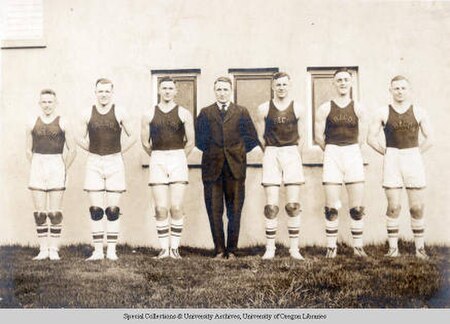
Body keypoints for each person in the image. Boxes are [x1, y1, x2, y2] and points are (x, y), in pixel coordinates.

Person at [368, 75, 433, 259]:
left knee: (417, 207)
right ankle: (393, 248)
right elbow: (370, 138)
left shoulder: (419, 112)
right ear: (390, 90)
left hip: (412, 156)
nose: (400, 92)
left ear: (409, 90)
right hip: (393, 157)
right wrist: (387, 153)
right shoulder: (382, 112)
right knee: (394, 205)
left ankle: (420, 249)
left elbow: (431, 138)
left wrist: (415, 153)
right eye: (396, 88)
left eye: (403, 88)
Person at [195, 76, 259, 259]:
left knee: (235, 209)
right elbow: (200, 141)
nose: (222, 93)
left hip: (235, 167)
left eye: (225, 90)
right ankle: (219, 249)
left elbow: (251, 138)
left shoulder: (241, 111)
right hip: (212, 168)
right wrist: (216, 152)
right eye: (219, 90)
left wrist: (236, 152)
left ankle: (232, 250)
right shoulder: (206, 113)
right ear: (214, 91)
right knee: (214, 210)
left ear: (230, 91)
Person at [77, 78, 135, 261]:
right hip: (94, 161)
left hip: (114, 162)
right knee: (96, 209)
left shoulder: (120, 111)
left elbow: (133, 135)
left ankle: (111, 250)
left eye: (107, 91)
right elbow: (78, 137)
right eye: (100, 91)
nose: (103, 95)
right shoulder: (87, 113)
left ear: (112, 92)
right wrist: (93, 150)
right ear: (95, 92)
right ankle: (97, 251)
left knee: (112, 209)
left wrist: (118, 151)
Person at [314, 68, 368, 258]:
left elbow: (362, 137)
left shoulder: (359, 108)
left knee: (357, 207)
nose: (343, 83)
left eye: (346, 79)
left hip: (352, 152)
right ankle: (331, 247)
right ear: (334, 84)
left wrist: (350, 150)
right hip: (332, 152)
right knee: (331, 206)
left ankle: (358, 247)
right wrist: (333, 150)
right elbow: (318, 137)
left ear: (351, 82)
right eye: (339, 80)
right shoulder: (325, 108)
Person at [141, 76, 194, 259]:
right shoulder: (149, 114)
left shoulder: (184, 113)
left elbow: (191, 142)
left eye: (170, 88)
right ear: (159, 90)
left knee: (176, 206)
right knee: (160, 208)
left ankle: (175, 248)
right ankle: (164, 249)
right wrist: (158, 157)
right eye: (164, 88)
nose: (167, 91)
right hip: (158, 157)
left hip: (178, 156)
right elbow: (145, 143)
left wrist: (178, 158)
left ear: (176, 91)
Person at [255, 72, 305, 260]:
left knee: (292, 205)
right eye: (278, 85)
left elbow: (302, 137)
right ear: (273, 87)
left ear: (289, 86)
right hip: (272, 152)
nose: (281, 88)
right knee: (271, 205)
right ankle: (270, 248)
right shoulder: (263, 109)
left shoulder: (298, 109)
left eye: (285, 84)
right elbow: (260, 137)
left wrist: (294, 156)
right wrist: (271, 152)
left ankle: (294, 249)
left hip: (291, 152)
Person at [26, 89, 76, 260]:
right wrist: (35, 164)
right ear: (40, 103)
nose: (47, 105)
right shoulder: (32, 122)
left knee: (54, 212)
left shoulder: (63, 122)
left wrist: (63, 167)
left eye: (50, 102)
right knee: (40, 213)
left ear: (56, 103)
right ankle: (43, 249)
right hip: (38, 164)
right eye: (44, 102)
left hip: (56, 163)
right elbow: (28, 148)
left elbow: (73, 149)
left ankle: (53, 249)